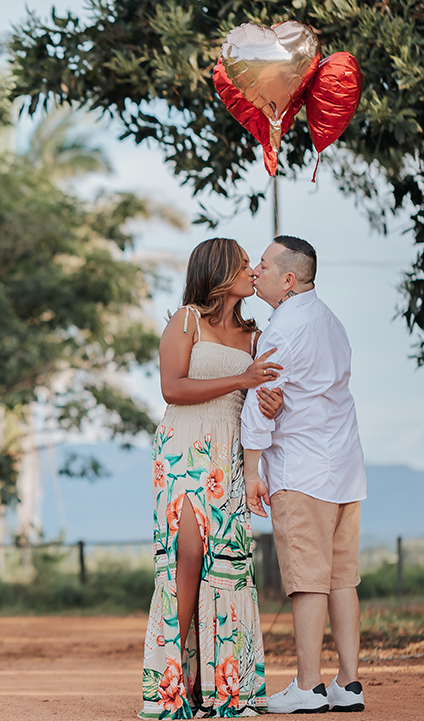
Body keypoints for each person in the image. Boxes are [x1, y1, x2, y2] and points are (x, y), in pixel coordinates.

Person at [141, 238, 284, 719]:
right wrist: (243, 381)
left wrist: (270, 402)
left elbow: (262, 402)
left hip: (229, 456)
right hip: (183, 450)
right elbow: (173, 388)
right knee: (187, 557)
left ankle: (219, 691)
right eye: (244, 264)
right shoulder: (184, 321)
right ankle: (170, 685)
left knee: (225, 568)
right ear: (220, 273)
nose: (252, 270)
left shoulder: (255, 334)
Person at [240, 235, 368, 714]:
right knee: (341, 577)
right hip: (345, 469)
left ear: (288, 279)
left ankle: (309, 686)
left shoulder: (283, 328)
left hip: (303, 469)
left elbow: (259, 403)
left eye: (264, 265)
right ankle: (348, 684)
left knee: (308, 580)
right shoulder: (331, 323)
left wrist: (253, 470)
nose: (256, 270)